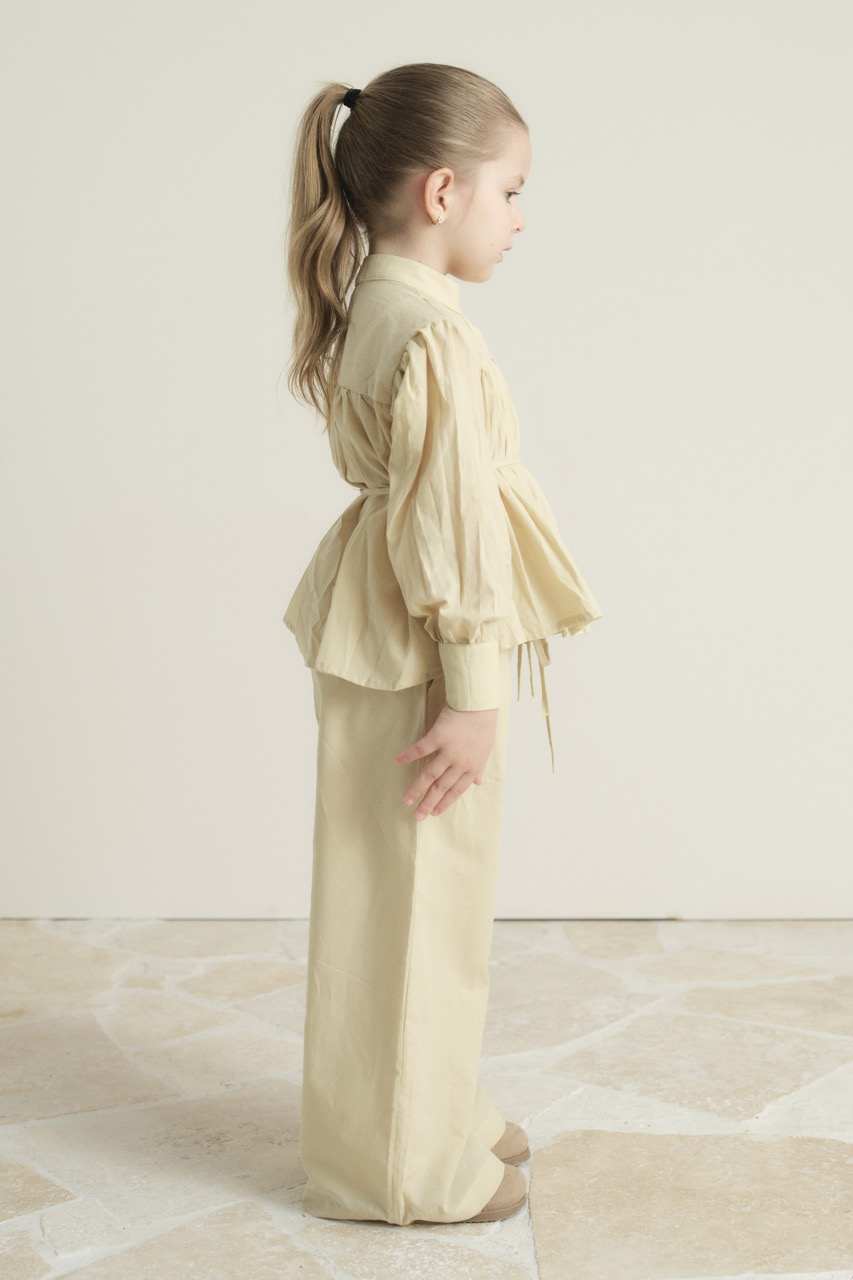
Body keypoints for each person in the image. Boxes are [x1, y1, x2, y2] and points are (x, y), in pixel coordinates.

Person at [283, 62, 601, 1227]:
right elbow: (453, 525)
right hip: (423, 650)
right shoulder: (431, 335)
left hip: (381, 624)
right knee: (419, 897)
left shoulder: (382, 303)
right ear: (440, 192)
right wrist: (472, 691)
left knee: (398, 893)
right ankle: (403, 1169)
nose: (517, 219)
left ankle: (428, 1109)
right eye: (510, 192)